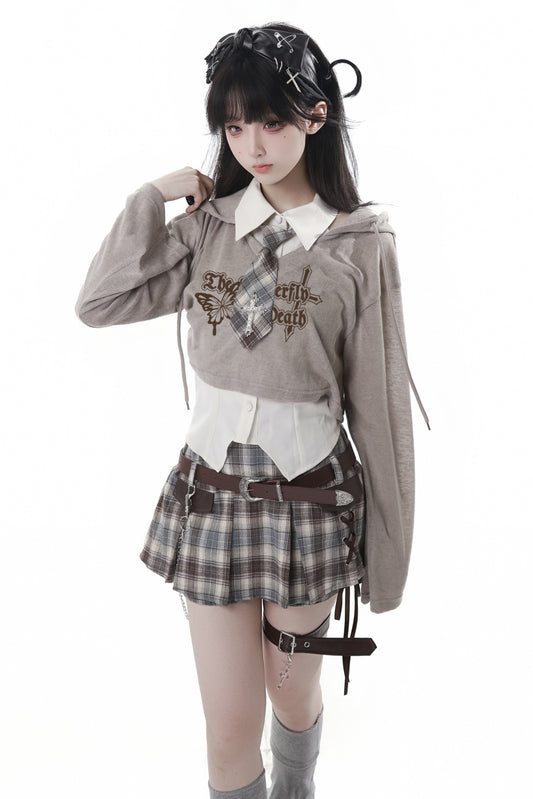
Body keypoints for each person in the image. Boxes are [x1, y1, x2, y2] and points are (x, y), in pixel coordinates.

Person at [74, 22, 430, 799]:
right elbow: (98, 302)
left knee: (291, 696)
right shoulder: (207, 230)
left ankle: (297, 784)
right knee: (228, 729)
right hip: (207, 498)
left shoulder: (358, 245)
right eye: (234, 126)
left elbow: (380, 412)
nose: (252, 145)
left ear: (315, 116)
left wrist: (389, 560)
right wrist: (151, 197)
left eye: (269, 121)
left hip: (307, 505)